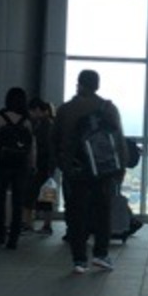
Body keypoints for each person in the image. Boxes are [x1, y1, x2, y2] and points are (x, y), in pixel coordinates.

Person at [53, 68, 125, 274]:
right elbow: (118, 140)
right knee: (102, 211)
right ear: (97, 85)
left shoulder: (66, 110)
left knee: (76, 213)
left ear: (79, 84)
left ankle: (79, 259)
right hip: (103, 169)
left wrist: (63, 164)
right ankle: (101, 254)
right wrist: (120, 167)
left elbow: (54, 140)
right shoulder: (108, 108)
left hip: (75, 170)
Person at [0, 87, 35, 249]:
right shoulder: (26, 120)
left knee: (0, 198)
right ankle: (14, 237)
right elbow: (32, 146)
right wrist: (33, 164)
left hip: (4, 163)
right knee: (18, 201)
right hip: (21, 164)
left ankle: (1, 234)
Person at [25, 97, 57, 235]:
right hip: (48, 166)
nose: (31, 114)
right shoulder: (50, 123)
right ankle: (47, 225)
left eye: (32, 111)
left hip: (40, 164)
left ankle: (28, 224)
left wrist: (33, 163)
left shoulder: (43, 126)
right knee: (47, 195)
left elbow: (38, 147)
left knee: (30, 194)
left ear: (38, 109)